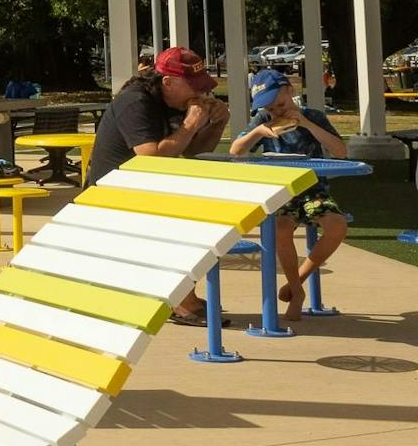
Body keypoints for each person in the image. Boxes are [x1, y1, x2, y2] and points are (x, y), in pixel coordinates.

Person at [87, 47, 230, 325]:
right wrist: (189, 124)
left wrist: (216, 125)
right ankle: (181, 300)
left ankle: (181, 294)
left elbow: (191, 152)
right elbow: (150, 158)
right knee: (177, 223)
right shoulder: (135, 102)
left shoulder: (171, 102)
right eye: (195, 88)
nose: (200, 95)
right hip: (110, 195)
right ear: (168, 82)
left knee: (204, 213)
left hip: (139, 190)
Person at [230, 69, 348, 325]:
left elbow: (340, 151)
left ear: (291, 92)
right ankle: (297, 292)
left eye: (280, 105)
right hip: (280, 192)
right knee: (279, 227)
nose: (278, 112)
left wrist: (306, 124)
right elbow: (235, 150)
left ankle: (298, 281)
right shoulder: (263, 119)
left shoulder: (313, 116)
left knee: (337, 226)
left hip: (313, 189)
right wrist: (258, 132)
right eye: (271, 109)